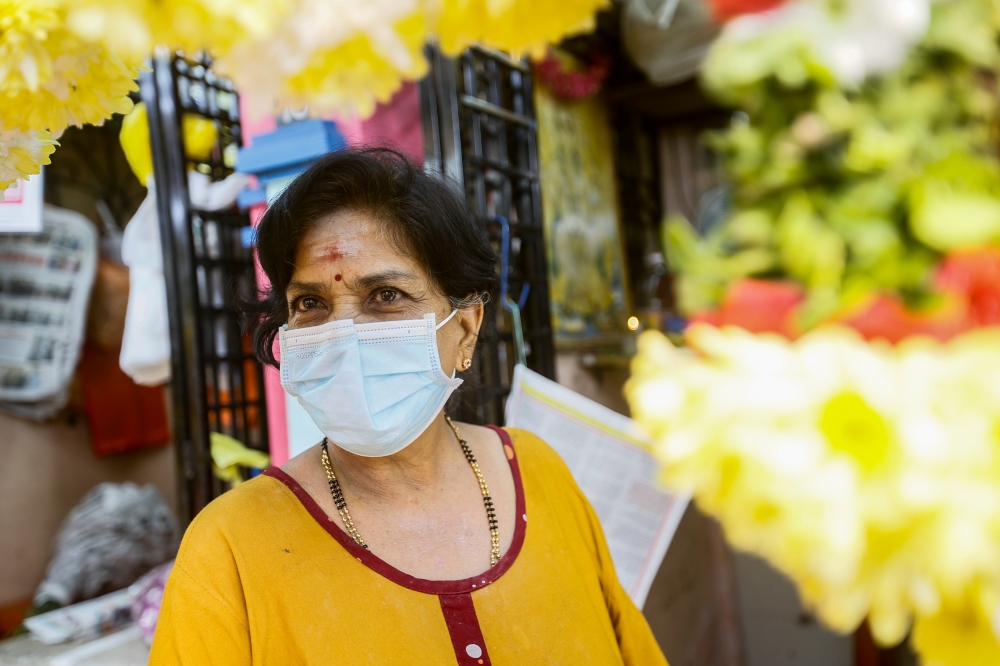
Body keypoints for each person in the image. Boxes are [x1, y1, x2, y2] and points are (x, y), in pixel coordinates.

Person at [149, 148, 668, 665]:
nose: (343, 333)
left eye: (386, 295)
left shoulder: (541, 474)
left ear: (465, 327)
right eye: (310, 304)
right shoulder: (229, 550)